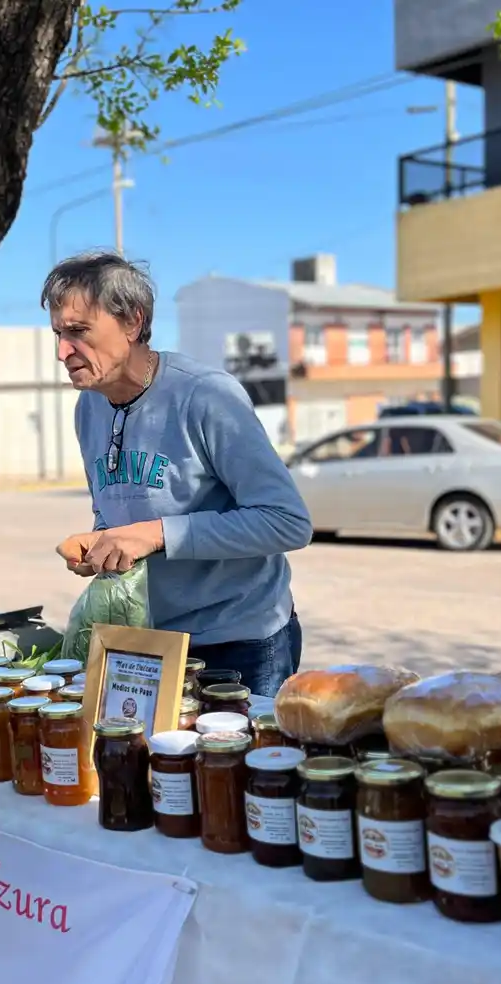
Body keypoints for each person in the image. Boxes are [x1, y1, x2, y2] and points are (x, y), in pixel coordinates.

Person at [44, 251, 312, 697]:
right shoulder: (88, 408)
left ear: (132, 321)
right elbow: (117, 510)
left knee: (233, 768)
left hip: (240, 646)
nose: (62, 352)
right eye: (57, 334)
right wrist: (104, 543)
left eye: (77, 332)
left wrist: (156, 534)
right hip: (149, 645)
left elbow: (287, 521)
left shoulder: (206, 397)